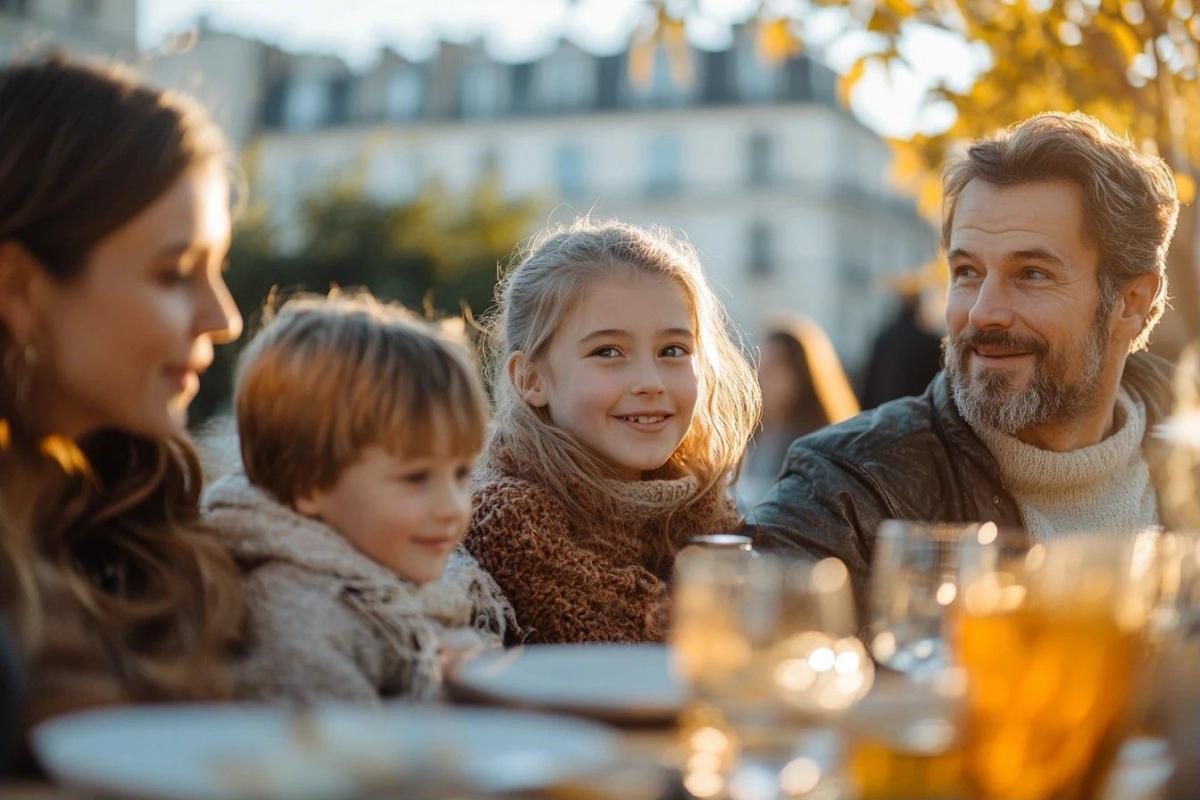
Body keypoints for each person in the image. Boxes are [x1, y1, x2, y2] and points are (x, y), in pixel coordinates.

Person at [749, 111, 1181, 609]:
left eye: (1032, 274)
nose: (983, 313)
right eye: (968, 271)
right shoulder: (846, 487)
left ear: (1130, 303)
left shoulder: (1187, 452)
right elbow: (754, 659)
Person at [0, 57, 245, 728]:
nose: (225, 319)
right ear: (17, 288)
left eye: (218, 269)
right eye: (174, 274)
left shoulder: (144, 527)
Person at [202, 293, 511, 702]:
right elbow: (337, 753)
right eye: (416, 478)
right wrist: (453, 693)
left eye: (460, 474)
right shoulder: (300, 617)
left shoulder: (408, 571)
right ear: (309, 483)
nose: (452, 507)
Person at [466, 219, 761, 643]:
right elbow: (655, 657)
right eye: (608, 352)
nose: (650, 380)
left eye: (672, 350)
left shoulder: (705, 510)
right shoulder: (510, 523)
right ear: (532, 379)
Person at [738, 316, 859, 509]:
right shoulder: (752, 436)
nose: (759, 377)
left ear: (803, 374)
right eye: (758, 365)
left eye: (773, 368)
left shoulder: (823, 449)